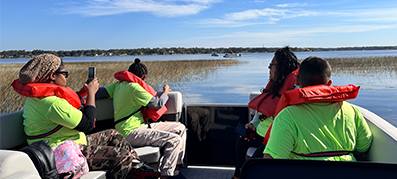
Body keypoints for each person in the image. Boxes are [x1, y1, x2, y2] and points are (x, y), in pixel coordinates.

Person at [12, 54, 160, 179]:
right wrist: (91, 94)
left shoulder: (36, 99)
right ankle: (131, 169)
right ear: (52, 76)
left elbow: (67, 108)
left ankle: (136, 167)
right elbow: (88, 124)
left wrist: (82, 92)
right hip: (61, 151)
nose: (66, 77)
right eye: (64, 73)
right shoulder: (52, 104)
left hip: (65, 143)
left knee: (113, 134)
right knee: (120, 155)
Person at [263, 56, 373, 160]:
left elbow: (272, 161)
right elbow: (363, 147)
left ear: (297, 80)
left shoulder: (287, 115)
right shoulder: (352, 112)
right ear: (329, 83)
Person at [96, 58, 187, 178]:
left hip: (141, 126)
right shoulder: (135, 88)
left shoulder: (117, 85)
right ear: (143, 77)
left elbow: (98, 92)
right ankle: (166, 175)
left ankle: (176, 166)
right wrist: (166, 92)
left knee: (180, 128)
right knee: (174, 140)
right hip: (130, 132)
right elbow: (158, 104)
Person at [232, 46, 300, 179]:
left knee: (254, 165)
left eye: (271, 65)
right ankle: (237, 174)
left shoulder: (294, 91)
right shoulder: (275, 85)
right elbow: (263, 111)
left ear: (281, 67)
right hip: (259, 133)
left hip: (272, 140)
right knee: (240, 134)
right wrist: (252, 124)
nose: (269, 68)